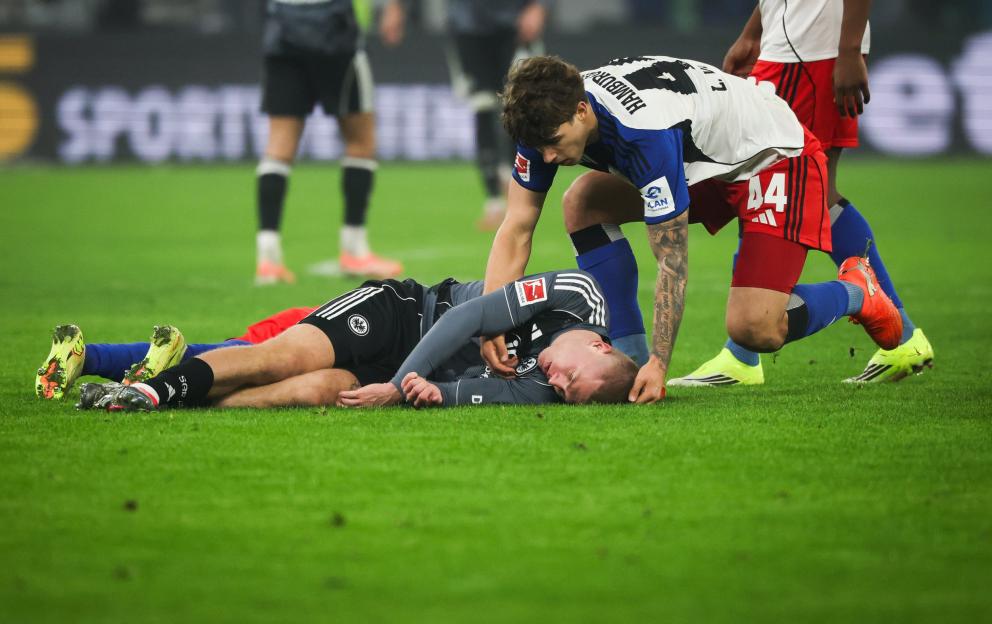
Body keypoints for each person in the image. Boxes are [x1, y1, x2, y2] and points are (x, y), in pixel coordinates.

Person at [484, 54, 904, 404]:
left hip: (773, 158)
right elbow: (517, 226)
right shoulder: (541, 121)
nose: (549, 156)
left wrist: (661, 364)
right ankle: (627, 358)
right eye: (540, 148)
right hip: (704, 165)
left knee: (756, 328)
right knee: (582, 202)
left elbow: (672, 262)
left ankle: (856, 290)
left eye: (555, 142)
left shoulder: (643, 135)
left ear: (582, 110)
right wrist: (489, 322)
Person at [669, 0, 933, 386]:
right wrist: (754, 31)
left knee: (769, 179)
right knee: (781, 185)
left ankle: (743, 357)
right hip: (792, 45)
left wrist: (847, 51)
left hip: (811, 52)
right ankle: (903, 336)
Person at [78, 271, 637, 411]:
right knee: (279, 356)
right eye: (570, 377)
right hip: (404, 314)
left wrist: (428, 393)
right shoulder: (579, 296)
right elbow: (465, 319)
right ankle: (151, 391)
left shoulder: (547, 389)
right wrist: (399, 386)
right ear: (598, 347)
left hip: (402, 371)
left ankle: (150, 397)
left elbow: (461, 394)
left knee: (315, 391)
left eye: (566, 395)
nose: (555, 384)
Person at [254, 0, 405, 285]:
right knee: (361, 140)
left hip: (282, 26)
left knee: (278, 147)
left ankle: (268, 259)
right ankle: (354, 249)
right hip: (334, 27)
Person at [34, 307, 317, 401]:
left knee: (203, 357)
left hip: (289, 324)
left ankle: (87, 356)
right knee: (219, 367)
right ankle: (165, 366)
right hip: (297, 337)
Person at [443, 0, 550, 230]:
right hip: (467, 26)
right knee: (481, 106)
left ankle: (518, 194)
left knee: (519, 105)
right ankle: (493, 200)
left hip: (513, 24)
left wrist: (538, 5)